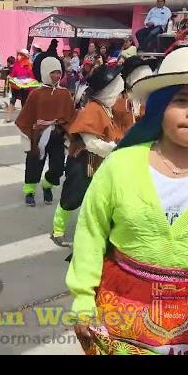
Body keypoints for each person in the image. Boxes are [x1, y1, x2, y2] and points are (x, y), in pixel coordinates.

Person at [66, 46, 188, 355]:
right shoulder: (120, 166)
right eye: (182, 100)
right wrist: (82, 298)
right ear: (161, 108)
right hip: (124, 305)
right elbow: (90, 234)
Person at [51, 65, 125, 248]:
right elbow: (91, 142)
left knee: (100, 199)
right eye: (117, 90)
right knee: (72, 196)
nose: (119, 94)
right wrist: (116, 149)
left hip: (100, 161)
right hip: (83, 161)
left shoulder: (106, 108)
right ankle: (57, 229)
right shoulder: (93, 109)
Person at [15, 57, 76, 206]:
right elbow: (26, 116)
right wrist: (28, 137)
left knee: (58, 167)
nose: (56, 76)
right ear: (45, 73)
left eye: (58, 72)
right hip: (39, 136)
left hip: (57, 135)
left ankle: (47, 185)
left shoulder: (65, 94)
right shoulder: (36, 94)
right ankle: (29, 191)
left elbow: (71, 116)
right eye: (53, 72)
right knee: (34, 164)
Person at [113, 56, 155, 135]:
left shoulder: (149, 101)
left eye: (149, 78)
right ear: (129, 80)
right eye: (143, 79)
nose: (148, 83)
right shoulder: (119, 104)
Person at [5, 49, 36, 123]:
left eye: (21, 55)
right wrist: (10, 77)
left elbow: (31, 75)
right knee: (13, 100)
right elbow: (13, 73)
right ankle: (9, 117)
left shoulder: (29, 64)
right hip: (16, 85)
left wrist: (28, 84)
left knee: (24, 101)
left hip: (25, 85)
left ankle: (24, 117)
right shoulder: (17, 63)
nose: (19, 56)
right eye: (19, 54)